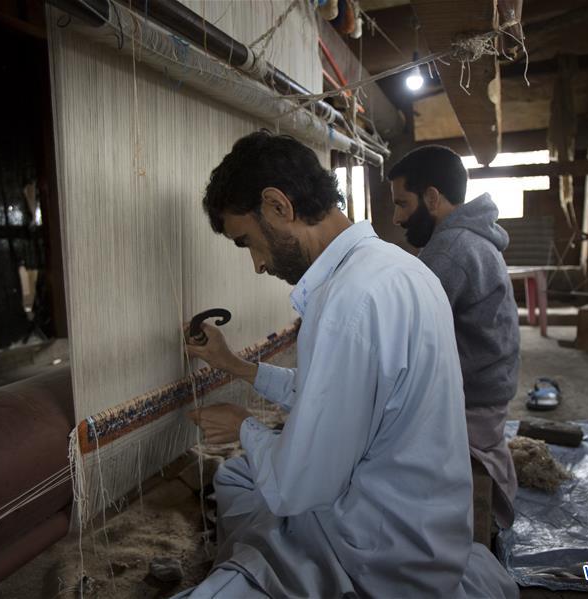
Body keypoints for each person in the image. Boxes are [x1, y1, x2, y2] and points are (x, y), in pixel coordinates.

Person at [177, 131, 517, 598]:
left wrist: (243, 427)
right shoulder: (398, 267)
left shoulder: (348, 302)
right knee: (238, 476)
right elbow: (339, 393)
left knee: (243, 524)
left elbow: (298, 486)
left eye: (249, 242)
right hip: (428, 529)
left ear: (278, 206)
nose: (257, 264)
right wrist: (237, 367)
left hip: (377, 554)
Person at [388, 145, 520, 530]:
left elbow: (408, 330)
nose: (397, 217)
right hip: (491, 387)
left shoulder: (450, 249)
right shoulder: (473, 237)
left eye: (402, 203)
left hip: (473, 399)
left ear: (432, 197)